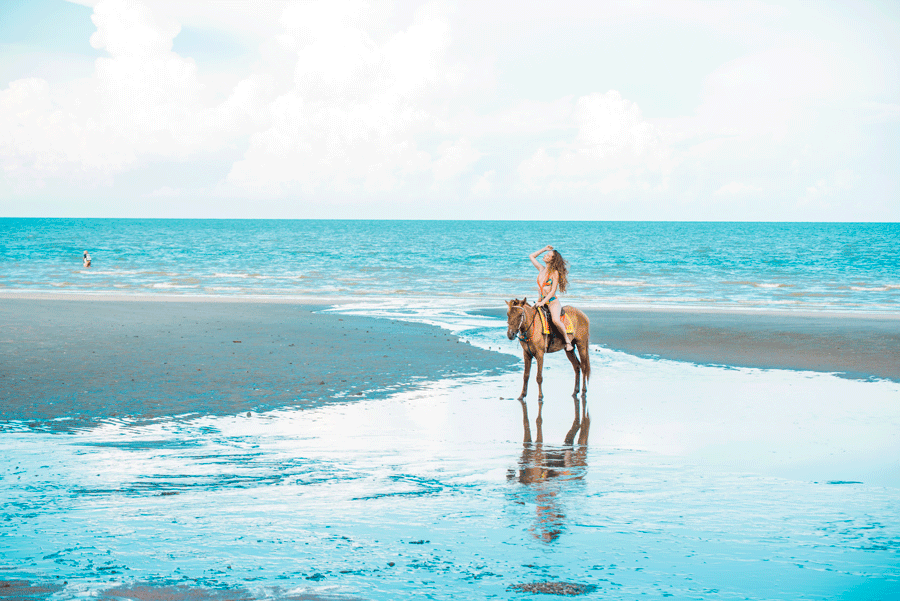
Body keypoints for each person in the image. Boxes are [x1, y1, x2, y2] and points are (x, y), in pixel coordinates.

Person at [529, 245, 573, 351]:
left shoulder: (554, 273)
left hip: (552, 302)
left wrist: (543, 302)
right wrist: (544, 248)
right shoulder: (541, 269)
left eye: (548, 255)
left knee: (556, 320)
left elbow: (553, 291)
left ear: (553, 260)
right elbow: (531, 256)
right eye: (546, 254)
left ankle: (567, 341)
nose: (545, 256)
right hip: (540, 301)